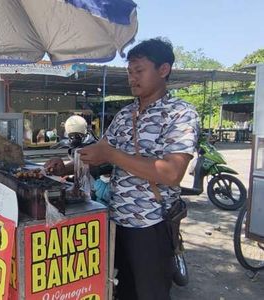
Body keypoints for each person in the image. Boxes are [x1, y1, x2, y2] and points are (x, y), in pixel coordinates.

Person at [79, 38, 200, 299]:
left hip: (152, 226)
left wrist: (111, 153)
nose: (132, 78)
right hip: (117, 221)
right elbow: (101, 153)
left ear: (163, 69)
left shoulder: (180, 113)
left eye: (139, 71)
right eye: (130, 72)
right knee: (122, 291)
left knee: (151, 293)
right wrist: (67, 165)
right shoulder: (125, 115)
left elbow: (171, 173)